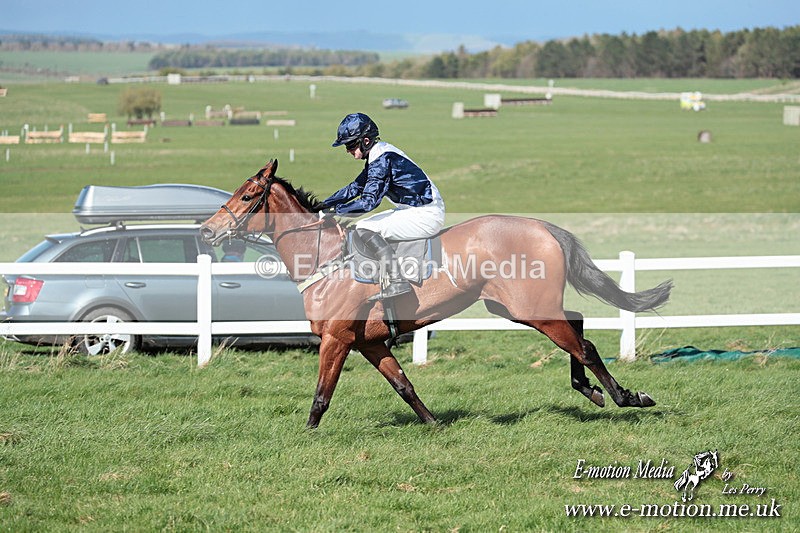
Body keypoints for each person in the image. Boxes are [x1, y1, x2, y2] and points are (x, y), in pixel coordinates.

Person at [321, 112, 445, 299]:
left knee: (364, 227)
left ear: (367, 141)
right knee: (363, 225)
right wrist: (322, 206)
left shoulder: (382, 159)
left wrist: (334, 212)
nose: (348, 150)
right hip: (414, 210)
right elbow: (355, 188)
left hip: (426, 214)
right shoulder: (378, 155)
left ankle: (397, 280)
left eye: (351, 145)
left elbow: (369, 202)